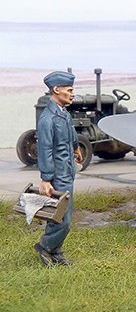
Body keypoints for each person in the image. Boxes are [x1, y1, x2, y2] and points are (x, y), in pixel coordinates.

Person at [35, 70, 82, 267]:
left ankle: (56, 250)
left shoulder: (63, 114)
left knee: (60, 215)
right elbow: (44, 149)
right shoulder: (48, 119)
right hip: (58, 176)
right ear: (56, 89)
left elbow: (70, 133)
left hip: (68, 171)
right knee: (63, 218)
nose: (72, 94)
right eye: (69, 90)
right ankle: (45, 246)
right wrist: (46, 179)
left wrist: (76, 146)